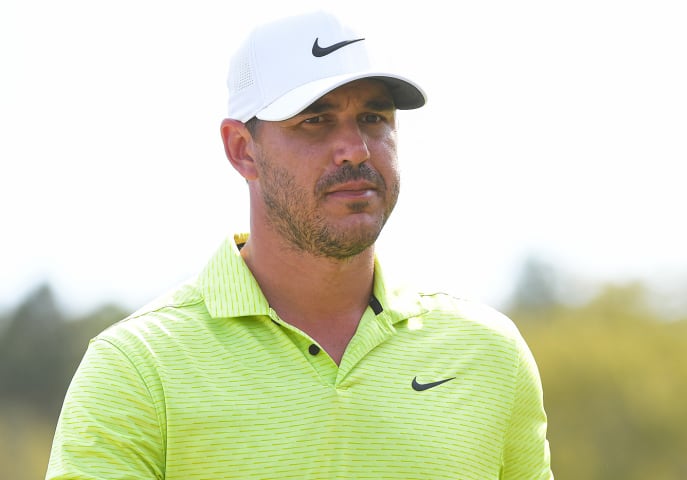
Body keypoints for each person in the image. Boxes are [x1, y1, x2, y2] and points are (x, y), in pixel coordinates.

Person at [46, 10, 552, 479]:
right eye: (315, 120)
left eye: (374, 118)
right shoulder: (138, 367)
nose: (355, 148)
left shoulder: (489, 353)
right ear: (242, 150)